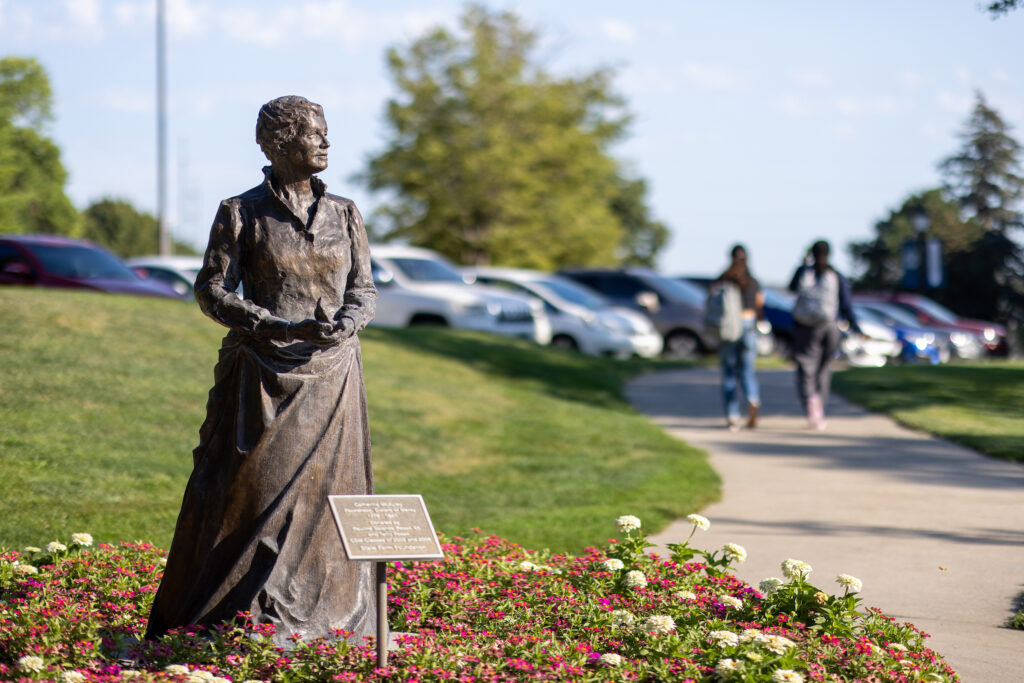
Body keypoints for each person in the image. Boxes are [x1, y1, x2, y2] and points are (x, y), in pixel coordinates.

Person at [146, 96, 378, 646]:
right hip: (262, 377)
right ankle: (234, 618)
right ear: (279, 143)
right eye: (315, 133)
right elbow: (211, 289)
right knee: (246, 495)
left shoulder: (344, 213)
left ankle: (326, 620)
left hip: (334, 373)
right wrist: (267, 322)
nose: (326, 142)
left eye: (325, 133)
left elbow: (364, 290)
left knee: (329, 498)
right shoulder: (241, 211)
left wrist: (347, 322)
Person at [787, 239, 860, 430]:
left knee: (806, 368)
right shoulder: (836, 275)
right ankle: (819, 405)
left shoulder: (804, 272)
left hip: (806, 327)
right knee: (824, 369)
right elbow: (846, 304)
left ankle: (811, 403)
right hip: (829, 327)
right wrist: (855, 327)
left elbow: (792, 287)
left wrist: (803, 263)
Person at [710, 244, 764, 430]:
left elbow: (712, 301)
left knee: (728, 373)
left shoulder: (724, 278)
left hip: (729, 328)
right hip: (749, 325)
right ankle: (752, 398)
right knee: (747, 370)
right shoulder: (752, 280)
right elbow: (759, 304)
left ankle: (732, 416)